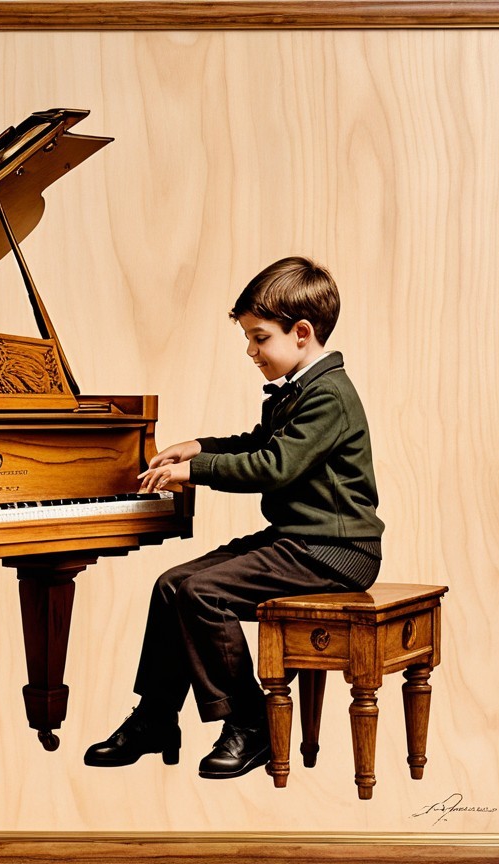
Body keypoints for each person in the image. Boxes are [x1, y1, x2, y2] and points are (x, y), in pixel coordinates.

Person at [84, 256, 384, 779]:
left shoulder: (329, 395)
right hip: (300, 541)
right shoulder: (301, 389)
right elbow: (259, 443)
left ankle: (252, 723)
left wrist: (194, 471)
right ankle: (156, 717)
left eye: (259, 338)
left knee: (205, 593)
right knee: (172, 585)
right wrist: (197, 446)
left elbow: (274, 466)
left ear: (302, 332)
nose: (251, 351)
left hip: (337, 552)